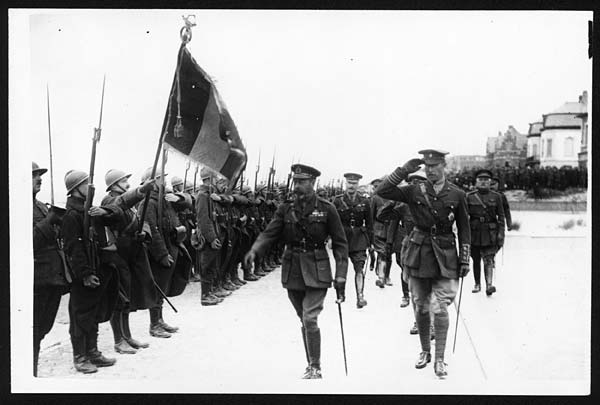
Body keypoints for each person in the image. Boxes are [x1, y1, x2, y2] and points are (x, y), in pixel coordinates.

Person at [244, 164, 348, 379]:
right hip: (293, 269)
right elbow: (270, 233)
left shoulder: (327, 208)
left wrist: (341, 274)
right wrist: (255, 251)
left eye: (302, 181)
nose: (297, 186)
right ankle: (310, 362)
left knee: (310, 318)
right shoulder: (285, 208)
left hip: (317, 269)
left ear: (312, 183)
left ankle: (316, 366)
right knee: (303, 318)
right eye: (295, 181)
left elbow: (340, 244)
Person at [376, 149, 471, 378]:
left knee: (440, 307)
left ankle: (440, 358)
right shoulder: (414, 190)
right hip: (418, 253)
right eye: (426, 167)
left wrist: (464, 258)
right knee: (420, 306)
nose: (430, 171)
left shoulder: (457, 194)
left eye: (435, 166)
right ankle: (425, 351)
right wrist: (404, 170)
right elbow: (383, 190)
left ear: (443, 166)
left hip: (445, 254)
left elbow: (465, 229)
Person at [61, 169, 129, 373]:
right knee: (81, 314)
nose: (90, 186)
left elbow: (118, 216)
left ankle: (92, 351)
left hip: (99, 268)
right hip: (86, 274)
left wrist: (105, 212)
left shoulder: (90, 211)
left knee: (94, 312)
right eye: (85, 184)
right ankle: (80, 356)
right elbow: (73, 248)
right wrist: (85, 274)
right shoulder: (72, 216)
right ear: (75, 189)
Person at [102, 169, 157, 354]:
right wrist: (140, 191)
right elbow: (120, 205)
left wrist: (144, 233)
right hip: (118, 253)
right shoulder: (109, 200)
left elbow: (142, 221)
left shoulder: (131, 203)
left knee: (128, 297)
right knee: (120, 298)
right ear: (114, 184)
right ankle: (119, 340)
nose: (127, 183)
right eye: (123, 180)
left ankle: (127, 336)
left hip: (131, 251)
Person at [140, 167, 192, 338]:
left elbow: (188, 202)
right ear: (153, 181)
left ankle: (160, 320)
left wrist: (179, 196)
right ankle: (154, 324)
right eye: (161, 178)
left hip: (171, 247)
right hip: (159, 253)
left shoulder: (165, 199)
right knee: (157, 288)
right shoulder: (149, 202)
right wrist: (162, 254)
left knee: (163, 286)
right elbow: (152, 231)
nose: (165, 181)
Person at [32, 162, 70, 376]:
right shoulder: (17, 206)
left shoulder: (40, 206)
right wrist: (50, 220)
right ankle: (29, 376)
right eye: (34, 176)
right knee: (33, 332)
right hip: (36, 280)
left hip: (52, 279)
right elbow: (29, 242)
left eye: (39, 175)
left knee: (41, 331)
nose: (39, 179)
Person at [332, 173, 373, 309]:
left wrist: (370, 242)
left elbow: (369, 224)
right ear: (345, 183)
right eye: (349, 182)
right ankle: (341, 294)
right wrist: (331, 238)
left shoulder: (365, 201)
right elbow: (331, 222)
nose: (351, 185)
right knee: (341, 266)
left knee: (359, 268)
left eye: (354, 183)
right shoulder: (337, 201)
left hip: (359, 238)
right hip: (342, 238)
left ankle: (360, 296)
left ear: (358, 184)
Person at [467, 170, 506, 295]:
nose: (483, 182)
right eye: (480, 179)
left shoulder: (497, 197)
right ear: (476, 182)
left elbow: (501, 217)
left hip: (490, 232)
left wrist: (501, 234)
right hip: (474, 232)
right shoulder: (469, 197)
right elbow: (465, 217)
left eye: (486, 180)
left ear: (490, 182)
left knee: (488, 259)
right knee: (476, 259)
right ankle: (477, 283)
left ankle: (489, 285)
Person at [370, 177, 393, 288]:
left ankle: (386, 275)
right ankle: (382, 277)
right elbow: (371, 215)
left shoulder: (392, 197)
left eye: (378, 186)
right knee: (382, 252)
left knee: (388, 254)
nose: (376, 188)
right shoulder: (375, 198)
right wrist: (371, 230)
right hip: (378, 229)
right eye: (375, 187)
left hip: (390, 229)